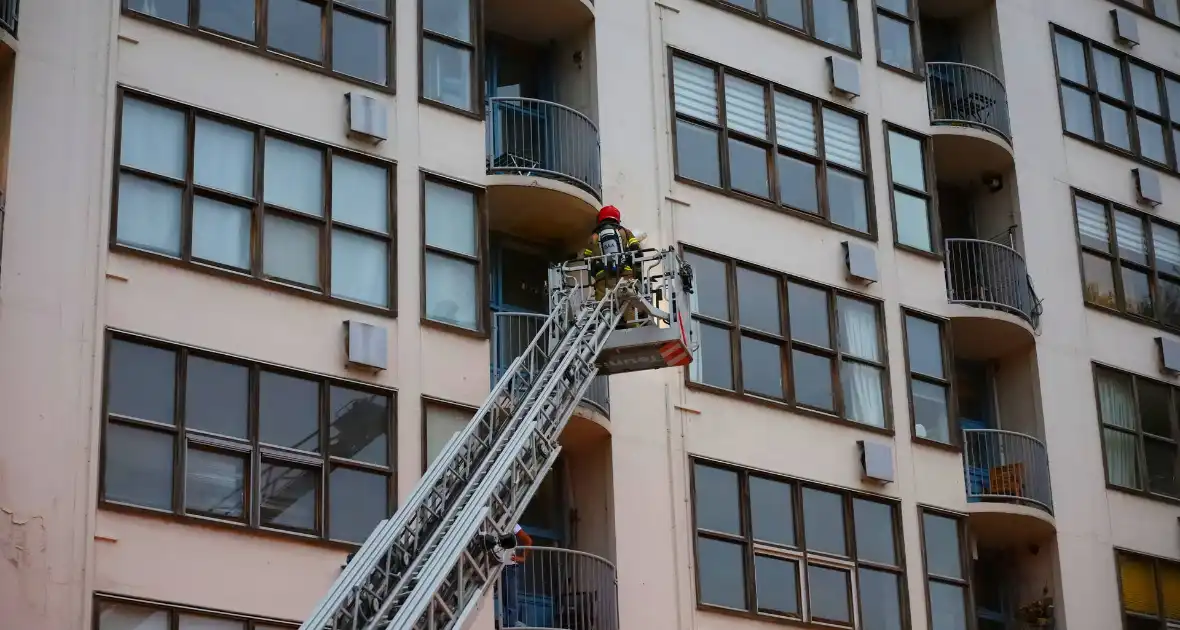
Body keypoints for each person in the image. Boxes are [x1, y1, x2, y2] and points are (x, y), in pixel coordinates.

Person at [582, 205, 642, 328]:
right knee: (627, 305)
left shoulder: (593, 237)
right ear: (616, 218)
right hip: (624, 276)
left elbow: (586, 259)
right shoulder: (625, 232)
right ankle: (633, 328)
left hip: (602, 280)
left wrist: (596, 273)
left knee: (603, 306)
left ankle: (605, 328)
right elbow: (637, 251)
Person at [498, 523, 533, 628]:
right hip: (497, 566)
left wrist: (522, 558)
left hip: (508, 566)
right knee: (505, 598)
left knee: (510, 599)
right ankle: (507, 623)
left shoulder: (512, 523)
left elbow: (528, 541)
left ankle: (511, 624)